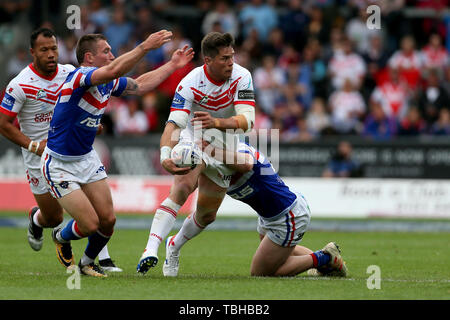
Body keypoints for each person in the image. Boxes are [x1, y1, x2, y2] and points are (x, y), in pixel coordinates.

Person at [41, 30, 194, 277]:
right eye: (107, 51)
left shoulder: (107, 82)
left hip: (86, 158)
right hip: (59, 163)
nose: (112, 55)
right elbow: (114, 71)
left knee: (108, 221)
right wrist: (144, 46)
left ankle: (86, 263)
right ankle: (60, 236)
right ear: (89, 57)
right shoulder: (81, 76)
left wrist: (173, 65)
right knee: (90, 224)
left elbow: (141, 84)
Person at [137, 32, 256, 276]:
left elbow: (249, 121)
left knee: (207, 214)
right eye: (224, 58)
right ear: (208, 60)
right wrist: (165, 156)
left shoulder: (242, 76)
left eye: (232, 57)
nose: (231, 63)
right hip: (196, 142)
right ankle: (150, 250)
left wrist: (217, 123)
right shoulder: (190, 82)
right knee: (182, 188)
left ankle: (174, 244)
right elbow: (173, 126)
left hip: (224, 147)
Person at [0, 28, 119, 272]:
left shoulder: (68, 73)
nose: (51, 54)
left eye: (53, 48)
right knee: (53, 218)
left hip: (71, 149)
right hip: (40, 156)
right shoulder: (20, 84)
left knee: (95, 209)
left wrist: (90, 124)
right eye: (44, 50)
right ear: (33, 52)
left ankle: (98, 260)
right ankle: (36, 220)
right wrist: (33, 146)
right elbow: (3, 124)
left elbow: (84, 99)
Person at [196, 140, 348, 277]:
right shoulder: (216, 164)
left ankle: (324, 259)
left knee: (260, 272)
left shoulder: (240, 151)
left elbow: (246, 164)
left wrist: (211, 150)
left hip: (287, 215)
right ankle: (328, 260)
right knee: (278, 254)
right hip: (270, 214)